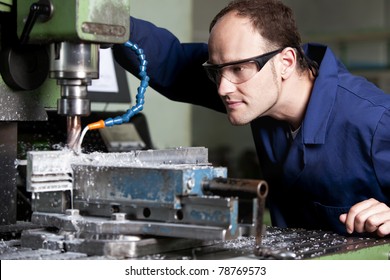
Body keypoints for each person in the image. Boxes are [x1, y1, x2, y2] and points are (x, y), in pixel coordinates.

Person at [113, 0, 390, 237]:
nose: (223, 88)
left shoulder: (375, 122)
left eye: (237, 69)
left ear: (286, 62)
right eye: (217, 71)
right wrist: (109, 22)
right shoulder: (256, 88)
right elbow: (172, 62)